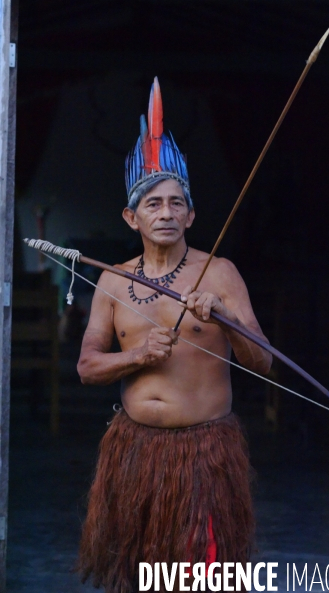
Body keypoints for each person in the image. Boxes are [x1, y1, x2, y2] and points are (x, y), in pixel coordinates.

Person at [77, 77, 272, 593]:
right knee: (136, 575)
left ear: (191, 213)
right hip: (134, 452)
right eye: (153, 204)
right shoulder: (113, 279)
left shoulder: (221, 272)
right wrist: (137, 356)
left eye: (176, 203)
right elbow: (88, 366)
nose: (165, 213)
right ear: (130, 216)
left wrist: (224, 319)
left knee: (200, 577)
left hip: (205, 455)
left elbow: (264, 363)